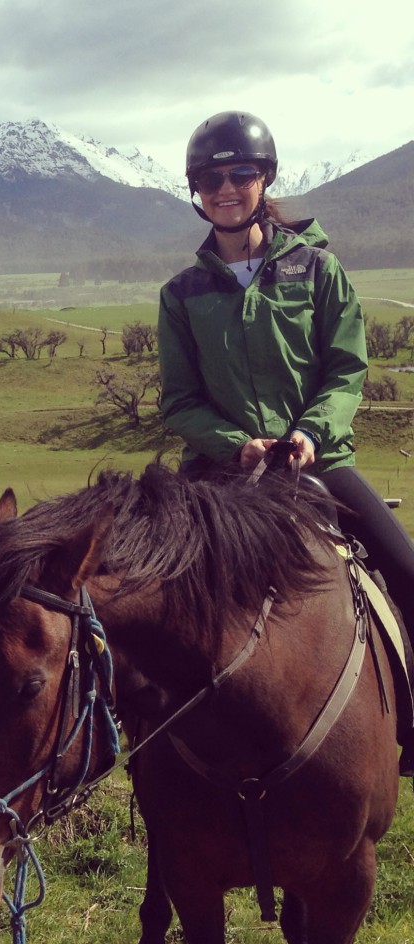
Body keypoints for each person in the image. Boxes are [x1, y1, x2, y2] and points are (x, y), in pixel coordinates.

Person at [158, 109, 414, 776]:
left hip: (318, 464)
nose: (226, 187)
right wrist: (234, 445)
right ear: (196, 190)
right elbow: (179, 402)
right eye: (211, 178)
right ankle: (142, 754)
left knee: (408, 574)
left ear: (264, 178)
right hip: (218, 476)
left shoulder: (318, 271)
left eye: (241, 174)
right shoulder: (181, 294)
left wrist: (308, 434)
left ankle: (410, 732)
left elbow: (347, 368)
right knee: (144, 595)